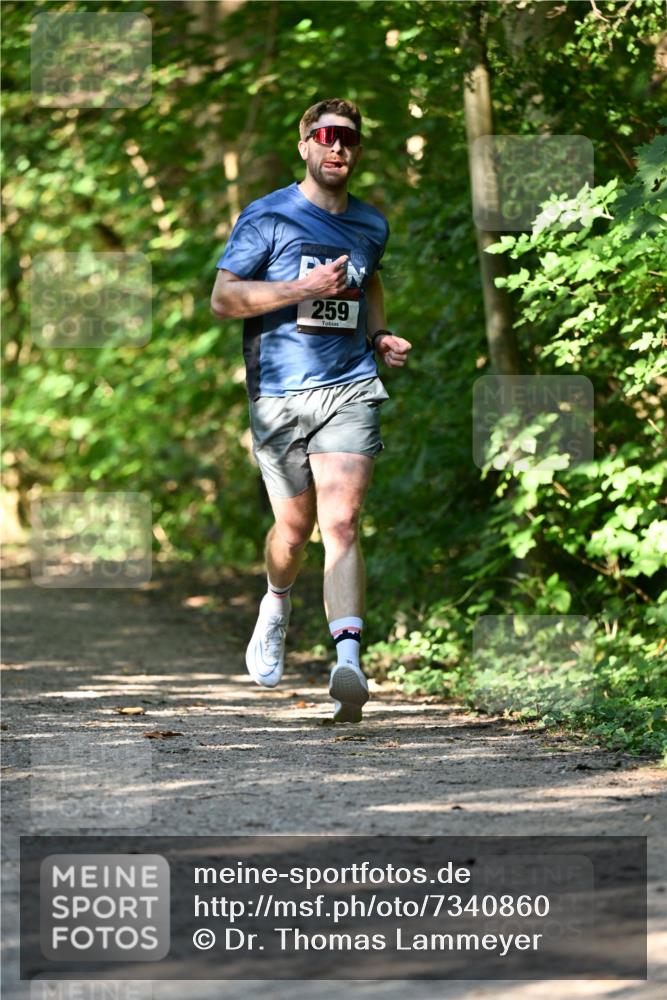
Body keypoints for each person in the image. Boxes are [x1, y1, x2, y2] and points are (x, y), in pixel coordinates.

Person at [211, 97, 412, 722]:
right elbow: (223, 299)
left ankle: (348, 661)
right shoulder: (268, 215)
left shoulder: (371, 223)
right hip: (278, 394)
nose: (337, 146)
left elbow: (370, 280)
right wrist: (303, 287)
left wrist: (379, 335)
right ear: (304, 146)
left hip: (350, 385)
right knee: (294, 533)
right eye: (325, 136)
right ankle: (276, 600)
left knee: (342, 522)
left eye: (347, 138)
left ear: (358, 150)